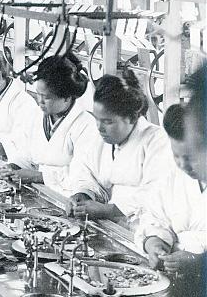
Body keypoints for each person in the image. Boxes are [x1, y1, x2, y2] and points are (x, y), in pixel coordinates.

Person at [64, 69, 175, 221]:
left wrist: (108, 210)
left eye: (107, 121)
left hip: (144, 228)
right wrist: (82, 195)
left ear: (132, 117)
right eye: (97, 119)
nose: (99, 127)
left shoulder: (157, 141)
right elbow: (86, 171)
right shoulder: (100, 138)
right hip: (109, 224)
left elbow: (156, 193)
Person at [0, 54, 98, 195]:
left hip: (67, 196)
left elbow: (83, 176)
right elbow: (26, 154)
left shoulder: (86, 125)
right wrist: (13, 166)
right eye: (38, 94)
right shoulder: (36, 115)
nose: (40, 101)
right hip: (37, 191)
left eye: (46, 97)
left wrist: (39, 176)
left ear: (66, 97)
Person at [136, 104, 205, 275]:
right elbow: (155, 216)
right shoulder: (174, 177)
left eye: (191, 157)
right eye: (177, 156)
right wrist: (155, 242)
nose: (183, 165)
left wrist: (199, 262)